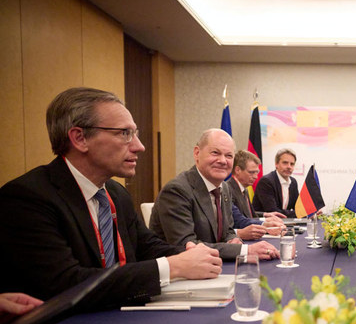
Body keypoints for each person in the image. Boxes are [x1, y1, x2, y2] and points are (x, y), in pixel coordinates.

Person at [0, 87, 222, 308]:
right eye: (125, 133)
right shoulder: (27, 198)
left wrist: (191, 254)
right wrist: (173, 267)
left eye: (135, 133)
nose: (140, 146)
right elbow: (66, 284)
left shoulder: (116, 192)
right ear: (80, 138)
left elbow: (146, 246)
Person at [150, 129, 280, 260]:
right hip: (182, 269)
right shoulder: (177, 190)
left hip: (215, 264)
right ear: (197, 153)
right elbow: (186, 246)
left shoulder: (224, 188)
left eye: (229, 156)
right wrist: (245, 250)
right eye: (215, 153)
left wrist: (232, 240)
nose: (223, 160)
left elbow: (228, 231)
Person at [227, 150, 285, 237]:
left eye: (256, 172)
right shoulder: (228, 189)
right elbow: (239, 220)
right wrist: (265, 224)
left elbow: (250, 215)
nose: (255, 177)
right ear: (238, 170)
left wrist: (265, 216)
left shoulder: (244, 189)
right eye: (251, 172)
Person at [252, 148, 299, 218]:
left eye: (292, 164)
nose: (289, 167)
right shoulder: (266, 181)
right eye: (285, 163)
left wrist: (308, 212)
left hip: (284, 222)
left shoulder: (293, 182)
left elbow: (298, 207)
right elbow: (273, 211)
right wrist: (299, 214)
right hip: (263, 222)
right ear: (276, 164)